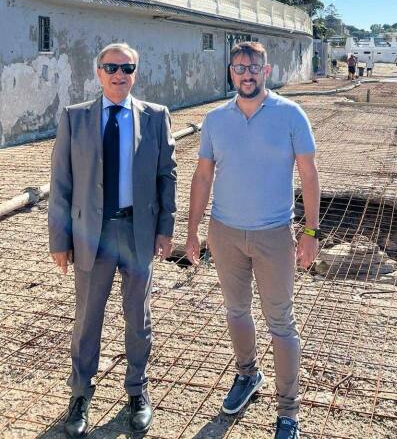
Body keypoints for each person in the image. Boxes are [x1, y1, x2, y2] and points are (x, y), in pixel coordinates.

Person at [186, 42, 320, 439]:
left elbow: (309, 176)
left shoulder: (291, 115)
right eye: (240, 67)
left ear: (267, 70)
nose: (247, 74)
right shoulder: (214, 119)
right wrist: (193, 230)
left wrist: (310, 233)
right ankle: (247, 374)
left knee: (281, 323)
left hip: (274, 235)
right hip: (225, 233)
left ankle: (288, 412)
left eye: (254, 67)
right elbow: (203, 176)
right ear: (231, 72)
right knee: (236, 311)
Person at [49, 43, 177, 437]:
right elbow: (61, 181)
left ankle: (137, 391)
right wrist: (59, 239)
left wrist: (165, 228)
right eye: (111, 67)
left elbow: (166, 175)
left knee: (137, 316)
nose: (119, 74)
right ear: (98, 71)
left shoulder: (156, 117)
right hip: (93, 235)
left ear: (135, 72)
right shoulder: (76, 118)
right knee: (88, 317)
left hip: (137, 232)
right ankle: (80, 395)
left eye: (127, 67)